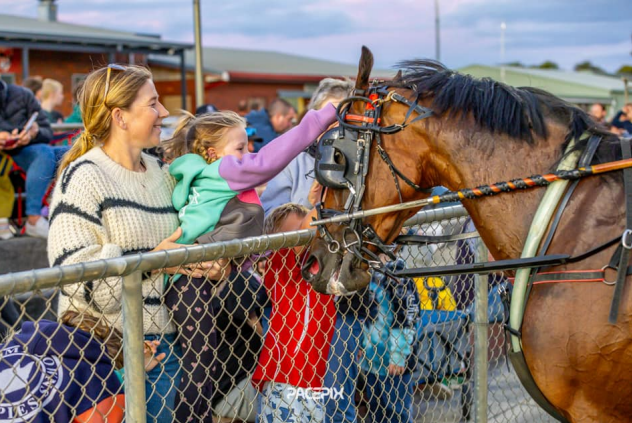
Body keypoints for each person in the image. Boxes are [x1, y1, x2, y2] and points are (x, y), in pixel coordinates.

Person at [47, 64, 224, 423]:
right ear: (120, 117)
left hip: (168, 348)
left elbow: (181, 246)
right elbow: (80, 281)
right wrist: (153, 261)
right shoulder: (82, 178)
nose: (163, 113)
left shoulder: (162, 172)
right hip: (107, 360)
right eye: (153, 103)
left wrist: (210, 264)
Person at [160, 103, 336, 420]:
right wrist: (323, 116)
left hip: (199, 276)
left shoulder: (205, 177)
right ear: (213, 153)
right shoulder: (224, 172)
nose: (248, 154)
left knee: (204, 360)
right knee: (201, 362)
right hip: (191, 279)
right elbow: (272, 158)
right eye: (240, 147)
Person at [252, 203, 336, 423]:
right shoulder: (278, 265)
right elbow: (308, 229)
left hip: (314, 382)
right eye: (296, 231)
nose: (306, 237)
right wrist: (322, 200)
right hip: (283, 378)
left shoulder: (320, 268)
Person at [260, 78, 353, 214]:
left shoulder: (365, 160)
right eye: (329, 117)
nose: (337, 125)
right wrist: (309, 206)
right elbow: (269, 217)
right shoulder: (292, 159)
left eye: (344, 117)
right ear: (313, 119)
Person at [362, 259, 421, 423]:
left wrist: (398, 355)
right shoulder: (368, 268)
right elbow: (363, 313)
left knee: (397, 411)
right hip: (371, 360)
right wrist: (361, 344)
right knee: (375, 410)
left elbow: (406, 318)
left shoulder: (398, 273)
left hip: (394, 362)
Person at [0, 79, 61, 238]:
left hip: (26, 149)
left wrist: (33, 133)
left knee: (74, 152)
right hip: (12, 157)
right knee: (45, 153)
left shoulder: (23, 95)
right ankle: (34, 218)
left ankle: (73, 213)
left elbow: (46, 132)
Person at [211, 271, 267, 423]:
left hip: (230, 385)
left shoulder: (239, 281)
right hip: (227, 389)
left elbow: (263, 331)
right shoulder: (200, 285)